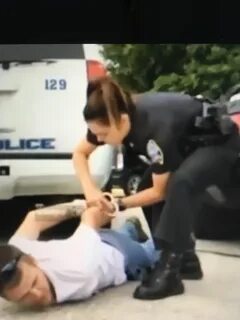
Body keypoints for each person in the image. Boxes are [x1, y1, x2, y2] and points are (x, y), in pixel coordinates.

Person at [72, 76, 240, 300]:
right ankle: (187, 261)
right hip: (189, 145)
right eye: (96, 135)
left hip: (221, 142)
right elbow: (79, 154)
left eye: (103, 135)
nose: (100, 140)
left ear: (120, 121)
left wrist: (117, 204)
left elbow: (158, 192)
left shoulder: (155, 128)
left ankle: (170, 272)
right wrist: (91, 192)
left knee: (182, 183)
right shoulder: (108, 117)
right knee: (144, 184)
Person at [0, 200, 156, 308]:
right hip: (92, 240)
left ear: (32, 260)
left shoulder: (78, 270)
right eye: (23, 297)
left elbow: (91, 217)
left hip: (118, 253)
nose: (37, 295)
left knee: (156, 253)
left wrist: (84, 205)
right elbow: (33, 219)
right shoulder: (18, 253)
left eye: (34, 283)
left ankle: (132, 233)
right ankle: (129, 228)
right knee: (105, 236)